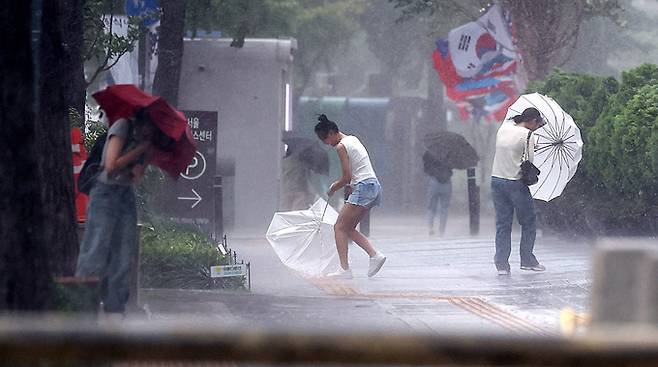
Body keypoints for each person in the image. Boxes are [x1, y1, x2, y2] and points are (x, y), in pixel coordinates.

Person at [75, 111, 155, 317]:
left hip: (125, 195)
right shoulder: (122, 126)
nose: (150, 132)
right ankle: (82, 309)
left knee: (123, 254)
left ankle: (115, 311)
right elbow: (110, 166)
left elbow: (134, 178)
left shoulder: (148, 141)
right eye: (149, 127)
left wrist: (141, 164)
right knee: (96, 250)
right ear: (143, 120)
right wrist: (139, 150)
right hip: (105, 192)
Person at [314, 114, 386, 278]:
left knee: (339, 227)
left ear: (332, 132)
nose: (326, 142)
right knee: (347, 228)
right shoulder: (353, 139)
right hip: (373, 186)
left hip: (364, 187)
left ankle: (345, 269)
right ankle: (375, 256)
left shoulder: (341, 146)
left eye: (325, 138)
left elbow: (346, 176)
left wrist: (334, 187)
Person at [490, 107, 546, 276]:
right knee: (528, 222)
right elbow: (528, 161)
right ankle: (527, 260)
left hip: (496, 180)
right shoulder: (528, 135)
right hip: (515, 183)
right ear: (532, 121)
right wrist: (533, 147)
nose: (536, 127)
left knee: (503, 224)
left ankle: (501, 264)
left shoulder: (504, 127)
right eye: (537, 124)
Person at [422, 152, 453, 236]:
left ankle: (430, 228)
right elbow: (453, 165)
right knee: (444, 208)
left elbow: (426, 167)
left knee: (431, 206)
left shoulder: (430, 152)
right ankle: (441, 230)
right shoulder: (449, 152)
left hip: (434, 181)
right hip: (446, 182)